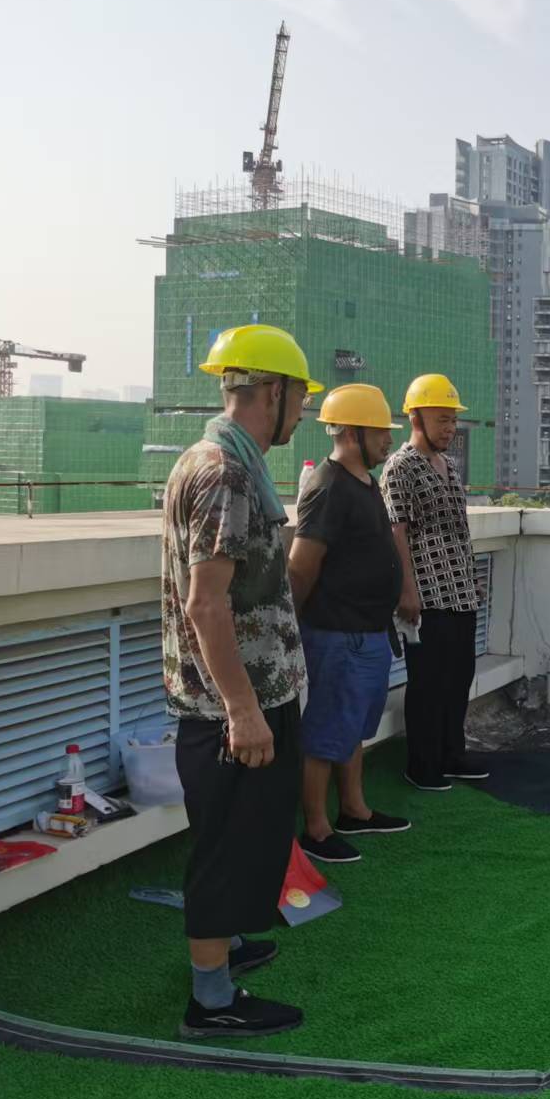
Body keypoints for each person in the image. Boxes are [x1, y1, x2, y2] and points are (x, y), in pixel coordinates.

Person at [161, 324, 319, 1038]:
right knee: (227, 849)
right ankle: (212, 1001)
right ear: (273, 391)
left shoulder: (213, 459)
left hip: (244, 695)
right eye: (301, 398)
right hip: (234, 706)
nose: (304, 413)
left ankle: (223, 947)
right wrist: (243, 711)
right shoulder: (226, 474)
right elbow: (206, 603)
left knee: (244, 837)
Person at [287, 383, 412, 864]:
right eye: (380, 431)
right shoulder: (328, 486)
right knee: (325, 732)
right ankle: (317, 829)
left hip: (368, 631)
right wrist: (292, 625)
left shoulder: (363, 482)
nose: (388, 439)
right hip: (337, 633)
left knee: (352, 725)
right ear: (353, 432)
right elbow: (302, 566)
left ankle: (354, 810)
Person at [381, 373, 488, 792]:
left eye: (452, 420)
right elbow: (396, 531)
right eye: (442, 420)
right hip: (427, 594)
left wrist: (471, 579)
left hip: (460, 591)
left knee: (459, 675)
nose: (449, 429)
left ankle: (451, 754)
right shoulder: (400, 467)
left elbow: (459, 530)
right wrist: (407, 591)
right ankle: (422, 764)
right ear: (416, 417)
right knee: (427, 681)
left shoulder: (450, 466)